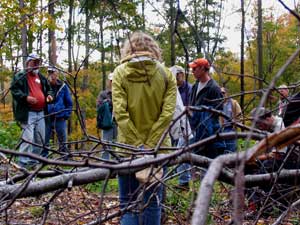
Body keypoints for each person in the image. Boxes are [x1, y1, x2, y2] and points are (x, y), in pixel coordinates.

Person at [112, 31, 177, 225]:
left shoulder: (119, 73)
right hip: (158, 150)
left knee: (128, 202)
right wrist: (149, 146)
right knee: (153, 203)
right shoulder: (166, 74)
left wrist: (138, 146)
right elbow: (167, 115)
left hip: (127, 150)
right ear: (153, 48)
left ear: (128, 49)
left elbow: (120, 115)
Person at [10, 53, 54, 168]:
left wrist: (49, 95)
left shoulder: (41, 77)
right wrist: (25, 98)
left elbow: (49, 89)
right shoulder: (20, 76)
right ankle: (22, 164)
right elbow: (14, 90)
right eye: (34, 62)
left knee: (40, 139)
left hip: (41, 112)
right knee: (28, 138)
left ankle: (33, 162)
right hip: (27, 113)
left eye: (38, 63)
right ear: (28, 63)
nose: (36, 65)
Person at [188, 58, 225, 158]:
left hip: (210, 135)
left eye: (195, 69)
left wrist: (202, 115)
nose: (192, 71)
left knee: (210, 165)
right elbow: (191, 106)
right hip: (195, 131)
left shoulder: (214, 88)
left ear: (203, 69)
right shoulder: (195, 86)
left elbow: (218, 111)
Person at [169, 66, 193, 189]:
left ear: (181, 75)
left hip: (188, 125)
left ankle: (184, 181)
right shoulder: (173, 89)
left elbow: (190, 108)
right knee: (179, 151)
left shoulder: (189, 89)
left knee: (182, 151)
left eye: (177, 75)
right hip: (176, 124)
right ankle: (183, 179)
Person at [45, 66, 73, 159]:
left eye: (53, 72)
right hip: (47, 117)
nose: (51, 74)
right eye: (49, 72)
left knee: (63, 140)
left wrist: (66, 115)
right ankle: (44, 159)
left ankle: (65, 159)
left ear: (57, 73)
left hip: (60, 117)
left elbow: (69, 102)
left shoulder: (63, 86)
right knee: (45, 139)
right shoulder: (44, 85)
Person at [96, 72, 117, 160]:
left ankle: (120, 164)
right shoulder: (103, 94)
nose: (113, 82)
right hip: (107, 123)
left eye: (114, 80)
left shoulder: (123, 93)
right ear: (109, 82)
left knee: (119, 145)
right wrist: (107, 103)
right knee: (106, 145)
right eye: (111, 80)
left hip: (119, 123)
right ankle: (105, 164)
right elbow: (99, 107)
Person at [220, 87, 242, 152]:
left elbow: (239, 115)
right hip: (222, 129)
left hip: (231, 128)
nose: (222, 94)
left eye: (223, 93)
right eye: (220, 93)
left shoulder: (234, 103)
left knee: (232, 148)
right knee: (224, 148)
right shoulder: (219, 104)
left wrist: (236, 125)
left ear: (227, 93)